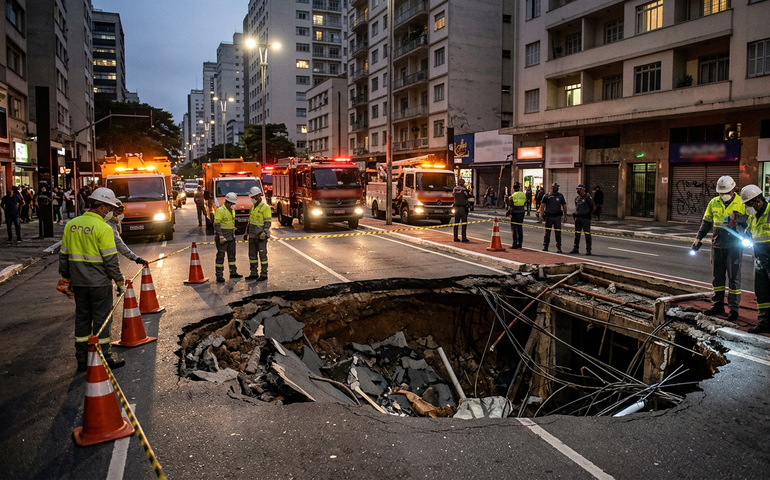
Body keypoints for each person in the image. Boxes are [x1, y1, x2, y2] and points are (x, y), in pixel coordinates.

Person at [59, 187, 126, 372]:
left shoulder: (71, 225)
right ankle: (103, 358)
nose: (111, 212)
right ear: (103, 207)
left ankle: (82, 360)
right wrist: (120, 283)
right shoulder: (103, 228)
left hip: (79, 283)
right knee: (102, 321)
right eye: (110, 208)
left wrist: (66, 278)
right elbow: (111, 263)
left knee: (81, 319)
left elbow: (63, 256)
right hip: (100, 285)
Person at [694, 176, 747, 322]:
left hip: (734, 247)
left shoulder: (742, 203)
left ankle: (733, 309)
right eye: (721, 193)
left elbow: (750, 221)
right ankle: (717, 305)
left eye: (726, 192)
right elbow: (706, 222)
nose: (722, 195)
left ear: (733, 189)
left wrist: (738, 217)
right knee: (717, 278)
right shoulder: (713, 202)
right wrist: (698, 238)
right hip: (717, 246)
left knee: (734, 279)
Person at [741, 185, 770, 334]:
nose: (748, 208)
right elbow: (749, 231)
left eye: (749, 204)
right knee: (762, 292)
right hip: (759, 259)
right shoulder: (753, 215)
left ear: (759, 200)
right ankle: (764, 322)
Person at [107, 200, 148, 266]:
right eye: (117, 213)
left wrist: (117, 221)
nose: (118, 216)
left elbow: (119, 232)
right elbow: (118, 243)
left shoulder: (113, 221)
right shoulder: (108, 224)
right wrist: (136, 258)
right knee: (117, 276)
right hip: (105, 260)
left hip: (107, 259)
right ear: (110, 211)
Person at [214, 192, 242, 282]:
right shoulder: (220, 210)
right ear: (228, 202)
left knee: (232, 256)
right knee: (220, 256)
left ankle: (233, 272)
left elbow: (230, 223)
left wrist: (234, 229)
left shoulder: (232, 210)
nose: (233, 205)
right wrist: (220, 236)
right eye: (232, 204)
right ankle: (219, 275)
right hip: (223, 237)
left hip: (230, 236)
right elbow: (217, 224)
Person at [245, 186, 271, 281]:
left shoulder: (265, 208)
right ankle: (253, 273)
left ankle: (264, 274)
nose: (253, 199)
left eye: (255, 197)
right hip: (252, 235)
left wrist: (265, 232)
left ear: (259, 195)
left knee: (262, 255)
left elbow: (268, 222)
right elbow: (250, 221)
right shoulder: (252, 207)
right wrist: (246, 232)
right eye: (252, 197)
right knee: (252, 256)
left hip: (261, 236)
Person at [538, 182, 567, 253]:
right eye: (554, 187)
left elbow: (564, 206)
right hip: (549, 216)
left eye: (557, 187)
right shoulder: (547, 195)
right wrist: (542, 214)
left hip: (557, 217)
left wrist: (565, 216)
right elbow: (542, 205)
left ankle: (559, 247)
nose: (556, 188)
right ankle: (545, 246)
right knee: (547, 233)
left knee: (558, 233)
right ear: (551, 188)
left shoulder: (560, 196)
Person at [570, 184, 596, 255]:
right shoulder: (577, 198)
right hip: (578, 218)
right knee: (577, 234)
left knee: (587, 234)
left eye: (579, 189)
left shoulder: (588, 197)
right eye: (577, 189)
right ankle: (575, 248)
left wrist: (589, 213)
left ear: (583, 190)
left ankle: (588, 249)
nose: (578, 191)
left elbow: (593, 207)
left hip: (585, 218)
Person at [506, 182, 527, 249]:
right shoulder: (523, 194)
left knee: (514, 229)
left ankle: (515, 244)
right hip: (522, 211)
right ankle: (520, 243)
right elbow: (525, 202)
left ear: (513, 188)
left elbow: (511, 205)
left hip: (515, 212)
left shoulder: (513, 196)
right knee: (520, 228)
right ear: (519, 188)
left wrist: (508, 213)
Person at [452, 178, 471, 243]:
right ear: (463, 183)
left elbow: (453, 195)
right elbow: (468, 196)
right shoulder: (464, 190)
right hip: (463, 208)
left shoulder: (455, 189)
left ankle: (455, 237)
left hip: (456, 207)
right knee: (464, 223)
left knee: (456, 223)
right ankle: (464, 238)